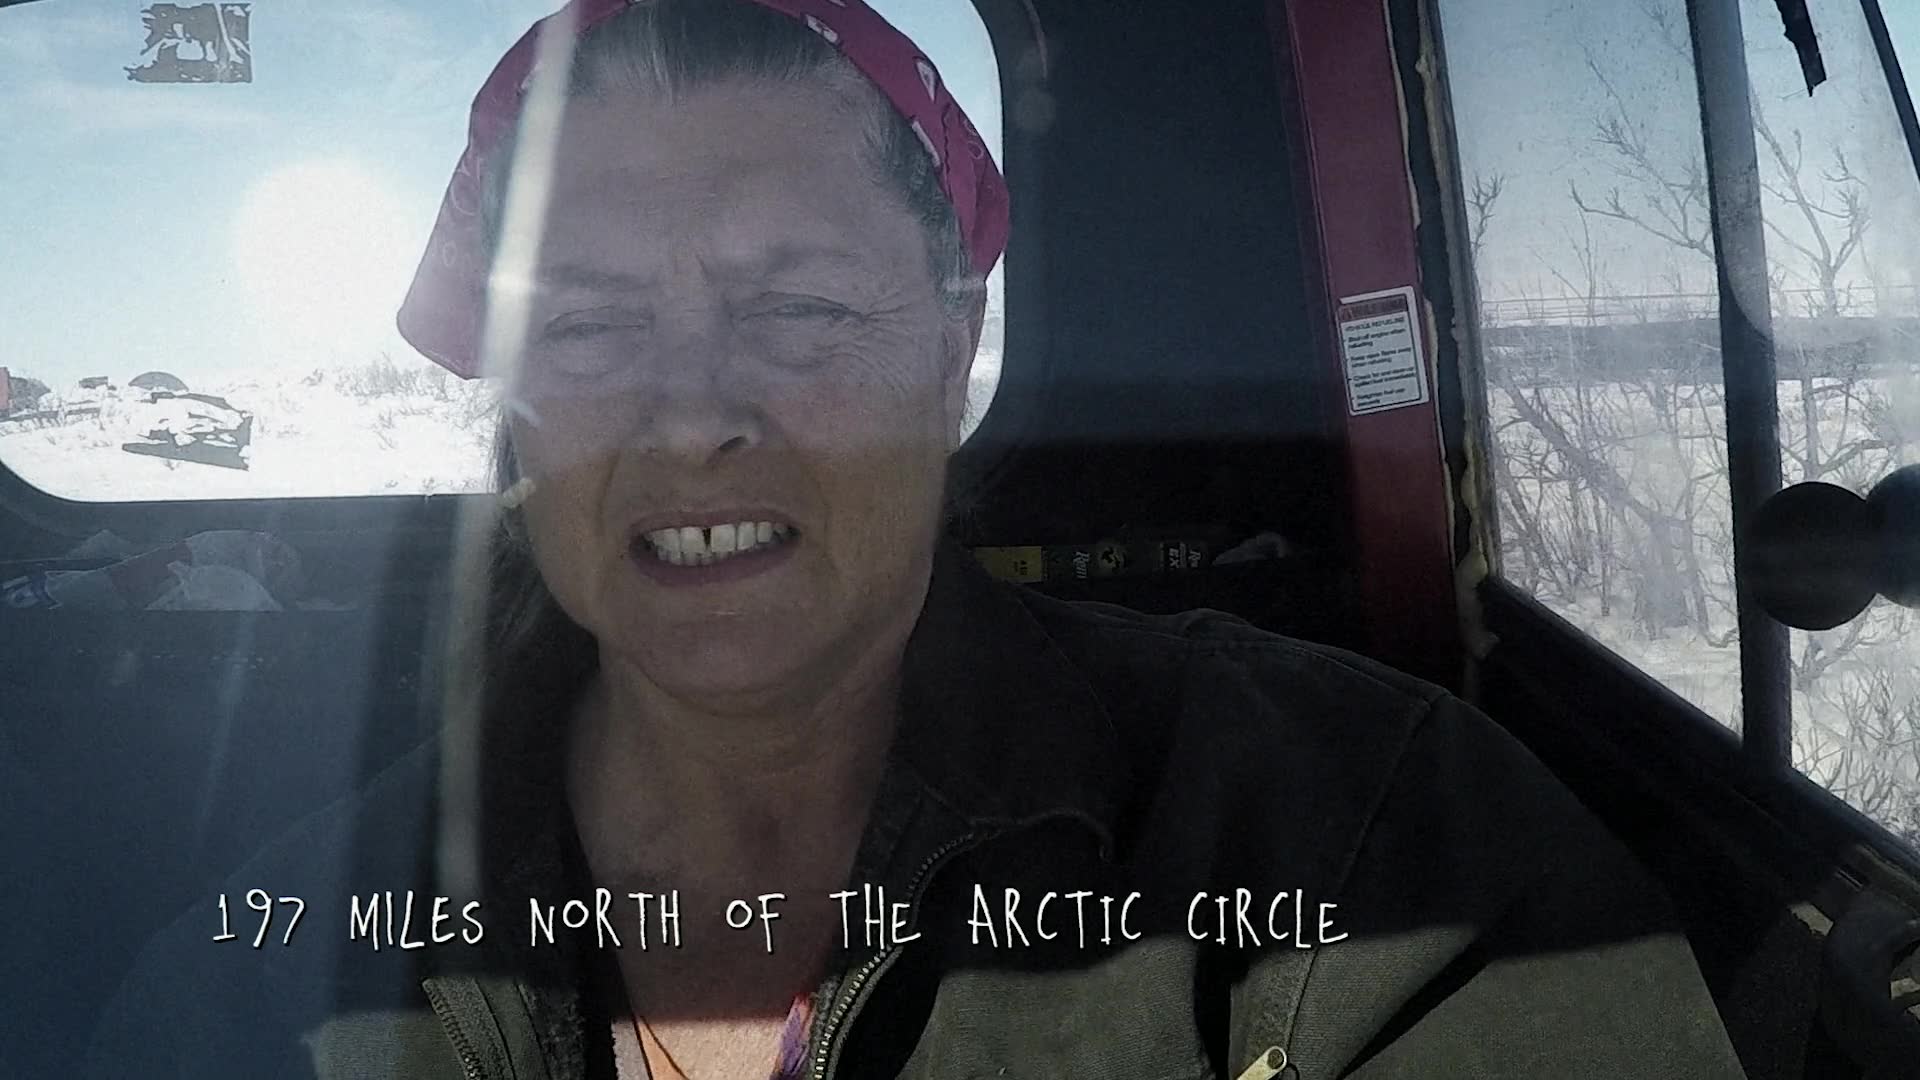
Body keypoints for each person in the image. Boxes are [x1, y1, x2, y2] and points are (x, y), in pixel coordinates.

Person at [85, 1, 1750, 1077]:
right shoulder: (267, 971)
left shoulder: (1362, 845)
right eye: (585, 327)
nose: (689, 419)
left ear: (954, 357)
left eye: (800, 306)